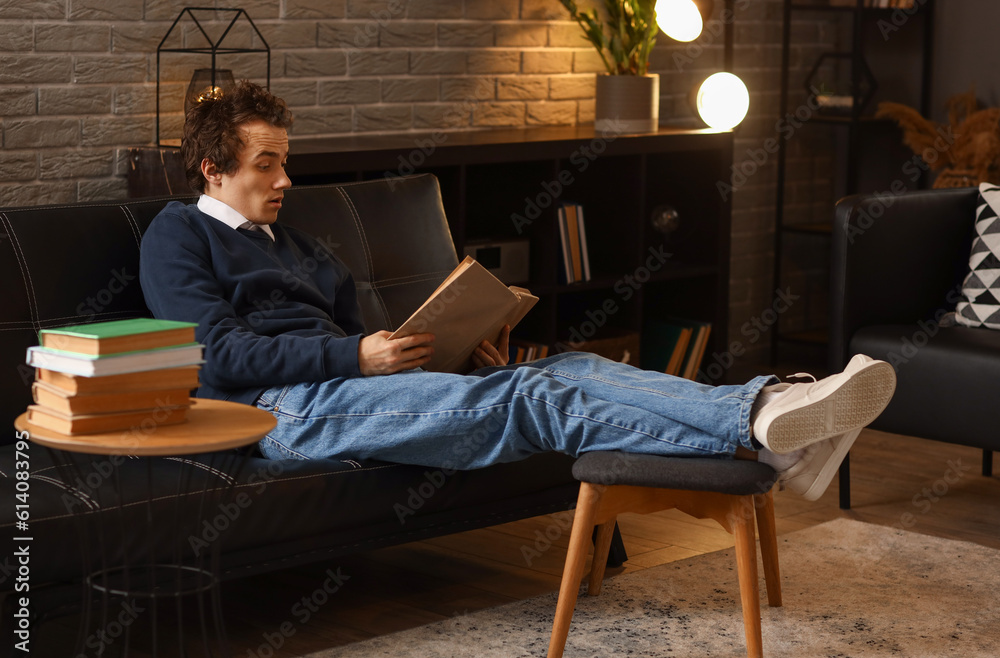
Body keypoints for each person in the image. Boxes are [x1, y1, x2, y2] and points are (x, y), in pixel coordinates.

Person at [139, 81, 897, 502]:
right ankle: (764, 418)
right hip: (279, 411)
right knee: (537, 402)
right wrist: (357, 356)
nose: (285, 179)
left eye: (284, 161)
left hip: (341, 391)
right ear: (212, 167)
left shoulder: (302, 246)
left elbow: (372, 348)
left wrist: (461, 352)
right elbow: (219, 355)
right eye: (266, 164)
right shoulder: (179, 235)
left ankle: (770, 432)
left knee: (556, 370)